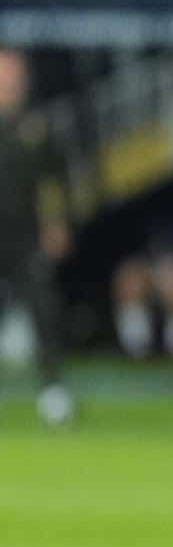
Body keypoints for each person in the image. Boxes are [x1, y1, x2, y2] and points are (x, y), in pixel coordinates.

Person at [0, 49, 74, 427]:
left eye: (13, 72)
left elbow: (53, 182)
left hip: (25, 235)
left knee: (44, 308)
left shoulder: (37, 126)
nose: (9, 80)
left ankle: (53, 393)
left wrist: (56, 223)